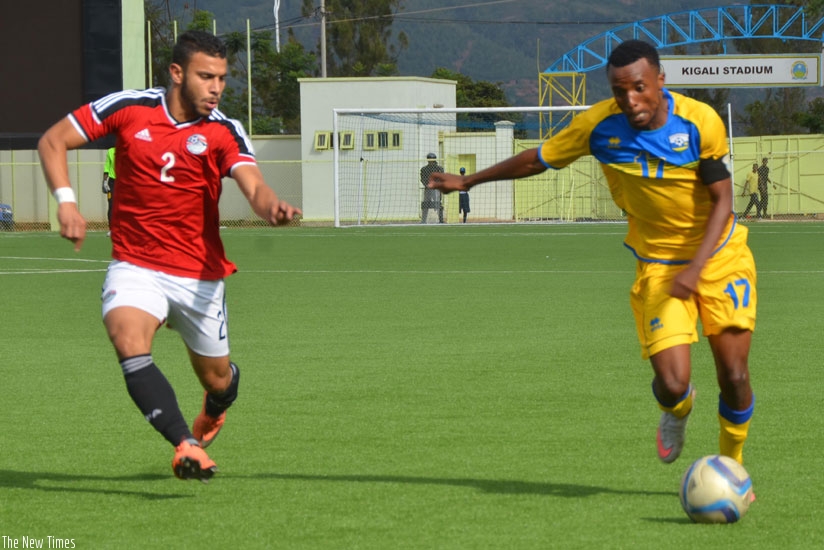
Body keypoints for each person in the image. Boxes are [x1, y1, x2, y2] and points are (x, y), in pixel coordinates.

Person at [429, 40, 756, 469]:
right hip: (659, 265)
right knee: (674, 384)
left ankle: (732, 468)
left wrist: (696, 269)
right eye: (620, 91)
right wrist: (467, 182)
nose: (630, 101)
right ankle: (676, 410)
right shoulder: (598, 127)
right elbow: (537, 160)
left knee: (733, 375)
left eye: (639, 87)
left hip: (719, 257)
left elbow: (723, 201)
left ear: (661, 80)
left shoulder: (699, 122)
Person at [38, 30, 301, 482]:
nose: (216, 87)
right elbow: (52, 141)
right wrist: (65, 201)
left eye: (221, 78)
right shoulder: (129, 108)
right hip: (136, 264)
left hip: (199, 277)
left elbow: (253, 186)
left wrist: (270, 207)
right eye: (206, 76)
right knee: (126, 337)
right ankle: (186, 444)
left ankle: (216, 404)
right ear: (177, 73)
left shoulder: (223, 129)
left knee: (217, 380)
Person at [420, 153, 444, 223]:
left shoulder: (439, 168)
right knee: (425, 204)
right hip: (428, 188)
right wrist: (426, 185)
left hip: (436, 189)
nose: (430, 161)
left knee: (438, 204)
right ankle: (424, 220)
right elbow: (422, 178)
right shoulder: (424, 169)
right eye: (429, 160)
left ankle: (440, 220)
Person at [102, 147, 116, 233]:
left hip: (125, 181)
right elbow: (107, 167)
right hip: (112, 182)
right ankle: (112, 229)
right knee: (111, 205)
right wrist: (104, 182)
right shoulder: (111, 151)